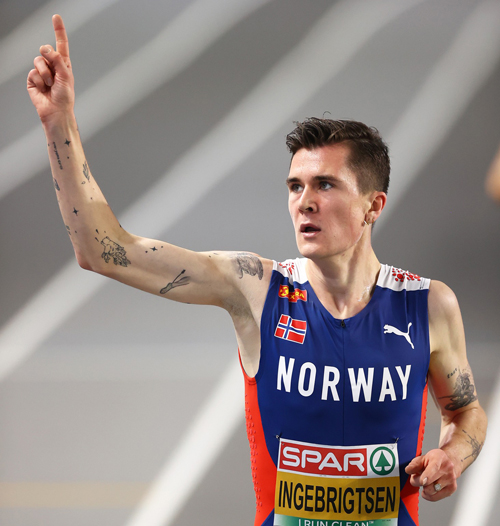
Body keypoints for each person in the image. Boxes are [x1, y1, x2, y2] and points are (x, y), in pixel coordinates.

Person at [27, 15, 487, 526]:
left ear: (372, 205)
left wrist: (453, 454)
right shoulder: (256, 289)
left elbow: (465, 411)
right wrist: (59, 122)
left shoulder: (427, 305)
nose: (304, 201)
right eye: (295, 186)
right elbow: (104, 249)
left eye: (325, 185)